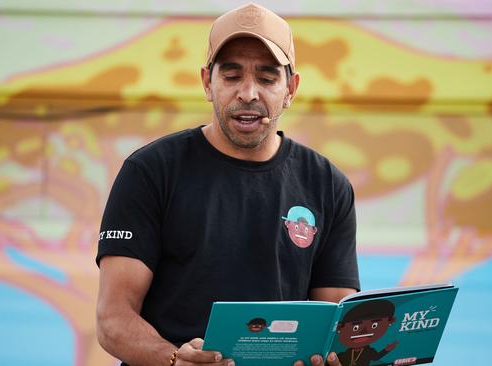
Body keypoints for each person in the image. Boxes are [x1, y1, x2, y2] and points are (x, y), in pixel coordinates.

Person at [95, 3, 360, 365]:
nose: (249, 93)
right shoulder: (150, 171)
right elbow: (113, 319)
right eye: (232, 75)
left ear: (291, 88)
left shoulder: (328, 185)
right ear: (207, 82)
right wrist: (174, 360)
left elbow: (335, 322)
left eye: (267, 78)